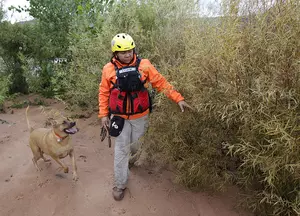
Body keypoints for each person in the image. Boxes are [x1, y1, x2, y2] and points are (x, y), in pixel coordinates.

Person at [98, 33, 192, 201]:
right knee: (121, 149)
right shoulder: (108, 69)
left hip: (140, 116)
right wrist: (104, 115)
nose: (127, 54)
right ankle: (120, 184)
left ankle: (131, 161)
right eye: (123, 52)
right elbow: (104, 92)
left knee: (137, 147)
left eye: (130, 50)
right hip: (119, 117)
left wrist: (178, 99)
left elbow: (161, 83)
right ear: (115, 54)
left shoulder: (145, 65)